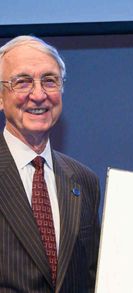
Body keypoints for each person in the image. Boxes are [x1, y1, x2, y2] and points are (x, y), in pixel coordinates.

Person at [0, 36, 100, 292]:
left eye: (49, 80)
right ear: (1, 98)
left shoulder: (84, 181)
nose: (38, 95)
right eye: (22, 82)